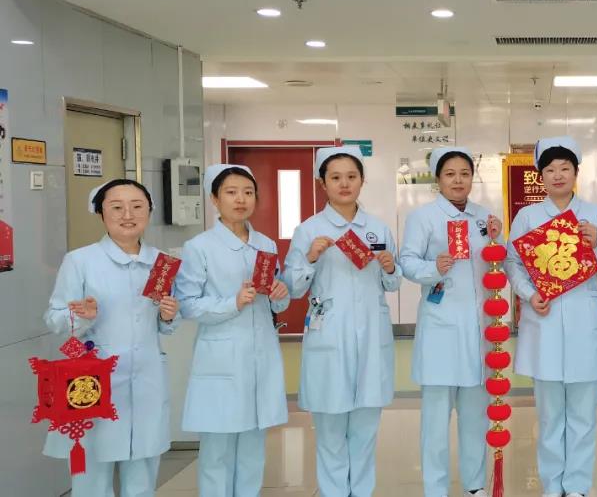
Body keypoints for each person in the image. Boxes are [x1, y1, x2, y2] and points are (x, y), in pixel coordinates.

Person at [43, 179, 179, 497]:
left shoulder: (162, 263)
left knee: (143, 473)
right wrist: (83, 316)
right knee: (91, 476)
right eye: (116, 207)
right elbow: (54, 319)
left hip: (146, 378)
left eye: (137, 206)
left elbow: (165, 326)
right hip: (92, 381)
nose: (127, 215)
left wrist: (168, 315)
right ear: (101, 214)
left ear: (149, 211)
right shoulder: (80, 261)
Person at [284, 146, 401, 497]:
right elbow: (293, 287)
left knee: (365, 427)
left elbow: (393, 284)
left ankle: (361, 491)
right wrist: (310, 258)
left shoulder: (377, 228)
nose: (344, 184)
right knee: (331, 428)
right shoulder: (309, 230)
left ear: (362, 181)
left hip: (372, 335)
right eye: (335, 177)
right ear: (323, 183)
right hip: (329, 336)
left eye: (351, 176)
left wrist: (389, 267)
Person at [504, 136, 597, 497]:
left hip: (585, 320)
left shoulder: (594, 214)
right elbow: (512, 262)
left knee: (583, 415)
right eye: (550, 169)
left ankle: (578, 486)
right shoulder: (527, 216)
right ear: (540, 176)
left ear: (576, 173)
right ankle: (553, 486)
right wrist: (529, 294)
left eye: (565, 168)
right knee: (550, 415)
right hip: (545, 320)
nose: (557, 175)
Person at [175, 164, 290, 497]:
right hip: (220, 358)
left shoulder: (265, 244)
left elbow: (276, 303)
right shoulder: (199, 247)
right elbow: (188, 305)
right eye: (231, 192)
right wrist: (232, 302)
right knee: (217, 451)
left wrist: (280, 294)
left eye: (248, 192)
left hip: (260, 355)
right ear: (214, 199)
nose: (241, 199)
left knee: (253, 448)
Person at [399, 146, 503, 497]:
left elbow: (495, 263)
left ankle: (475, 486)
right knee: (435, 421)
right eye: (450, 174)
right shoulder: (423, 217)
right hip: (440, 329)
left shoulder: (483, 216)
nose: (458, 180)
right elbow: (407, 262)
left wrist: (497, 239)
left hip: (479, 330)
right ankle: (436, 488)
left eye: (464, 174)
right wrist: (434, 268)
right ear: (438, 179)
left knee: (475, 417)